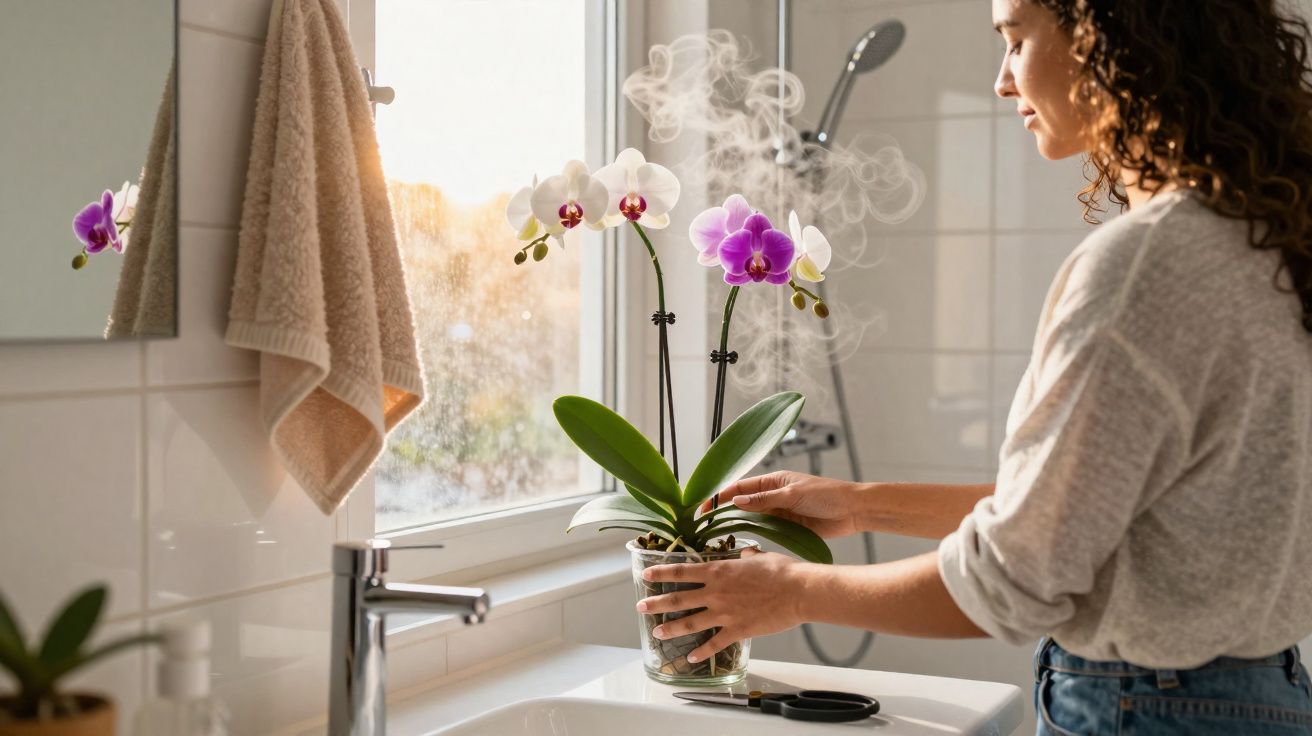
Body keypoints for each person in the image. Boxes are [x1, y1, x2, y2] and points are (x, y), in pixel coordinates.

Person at [636, 0, 1312, 732]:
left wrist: (790, 593)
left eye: (1016, 40)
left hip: (1151, 709)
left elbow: (1012, 582)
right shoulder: (1259, 242)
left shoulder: (1147, 265)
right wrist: (861, 503)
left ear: (1104, 34)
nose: (1001, 80)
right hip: (1255, 696)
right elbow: (1081, 518)